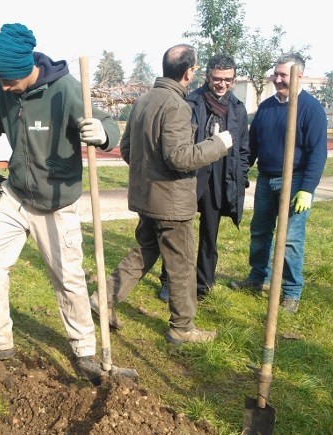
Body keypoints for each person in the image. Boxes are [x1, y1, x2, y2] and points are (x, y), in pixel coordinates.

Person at [0, 23, 120, 381]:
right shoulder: (5, 90)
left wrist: (103, 133)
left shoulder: (65, 90)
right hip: (16, 195)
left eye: (7, 79)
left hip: (56, 201)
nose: (3, 86)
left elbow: (108, 122)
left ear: (24, 69)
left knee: (69, 280)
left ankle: (85, 352)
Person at [90, 44, 232, 344]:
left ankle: (102, 300)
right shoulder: (177, 106)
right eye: (194, 69)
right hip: (171, 203)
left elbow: (127, 149)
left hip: (146, 198)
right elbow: (180, 157)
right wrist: (218, 145)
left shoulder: (144, 101)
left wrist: (149, 172)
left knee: (144, 251)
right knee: (181, 266)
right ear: (189, 72)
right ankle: (182, 328)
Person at [230, 53, 327, 314]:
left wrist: (307, 189)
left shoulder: (311, 109)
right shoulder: (267, 107)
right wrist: (241, 172)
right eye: (276, 74)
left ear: (299, 76)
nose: (278, 79)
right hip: (266, 179)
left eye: (284, 75)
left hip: (294, 182)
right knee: (260, 231)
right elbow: (253, 146)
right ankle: (257, 278)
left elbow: (318, 153)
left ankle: (291, 292)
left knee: (291, 240)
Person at [157, 54, 250, 302]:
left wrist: (241, 178)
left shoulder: (238, 109)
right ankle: (169, 282)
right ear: (207, 77)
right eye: (217, 79)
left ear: (233, 79)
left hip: (219, 180)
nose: (222, 84)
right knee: (177, 234)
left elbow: (243, 150)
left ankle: (203, 284)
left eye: (228, 80)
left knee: (210, 235)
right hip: (190, 175)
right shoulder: (189, 101)